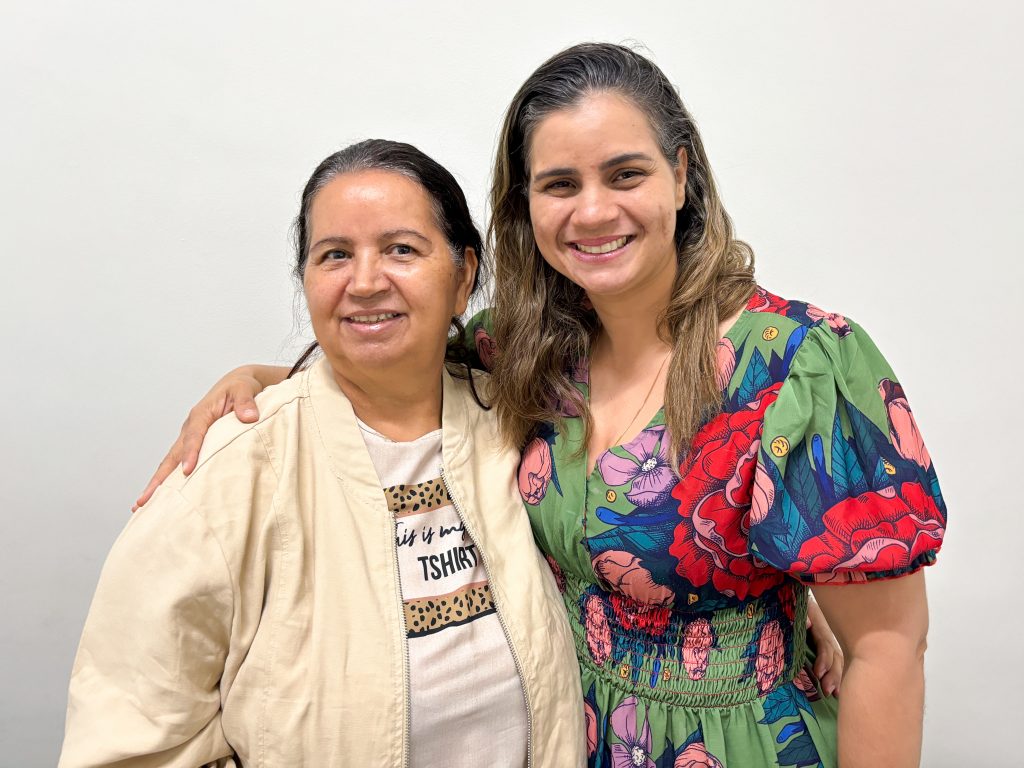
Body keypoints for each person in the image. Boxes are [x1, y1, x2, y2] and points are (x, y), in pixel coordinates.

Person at [138, 44, 946, 767]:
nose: (592, 211)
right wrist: (265, 374)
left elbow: (889, 646)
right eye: (560, 184)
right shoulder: (526, 355)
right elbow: (396, 354)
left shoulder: (798, 366)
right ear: (525, 205)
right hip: (568, 736)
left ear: (682, 173)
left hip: (747, 745)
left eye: (624, 174)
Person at [60, 140, 585, 768]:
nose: (364, 282)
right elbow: (126, 740)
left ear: (464, 274)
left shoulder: (520, 425)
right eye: (335, 254)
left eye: (401, 250)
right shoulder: (228, 473)